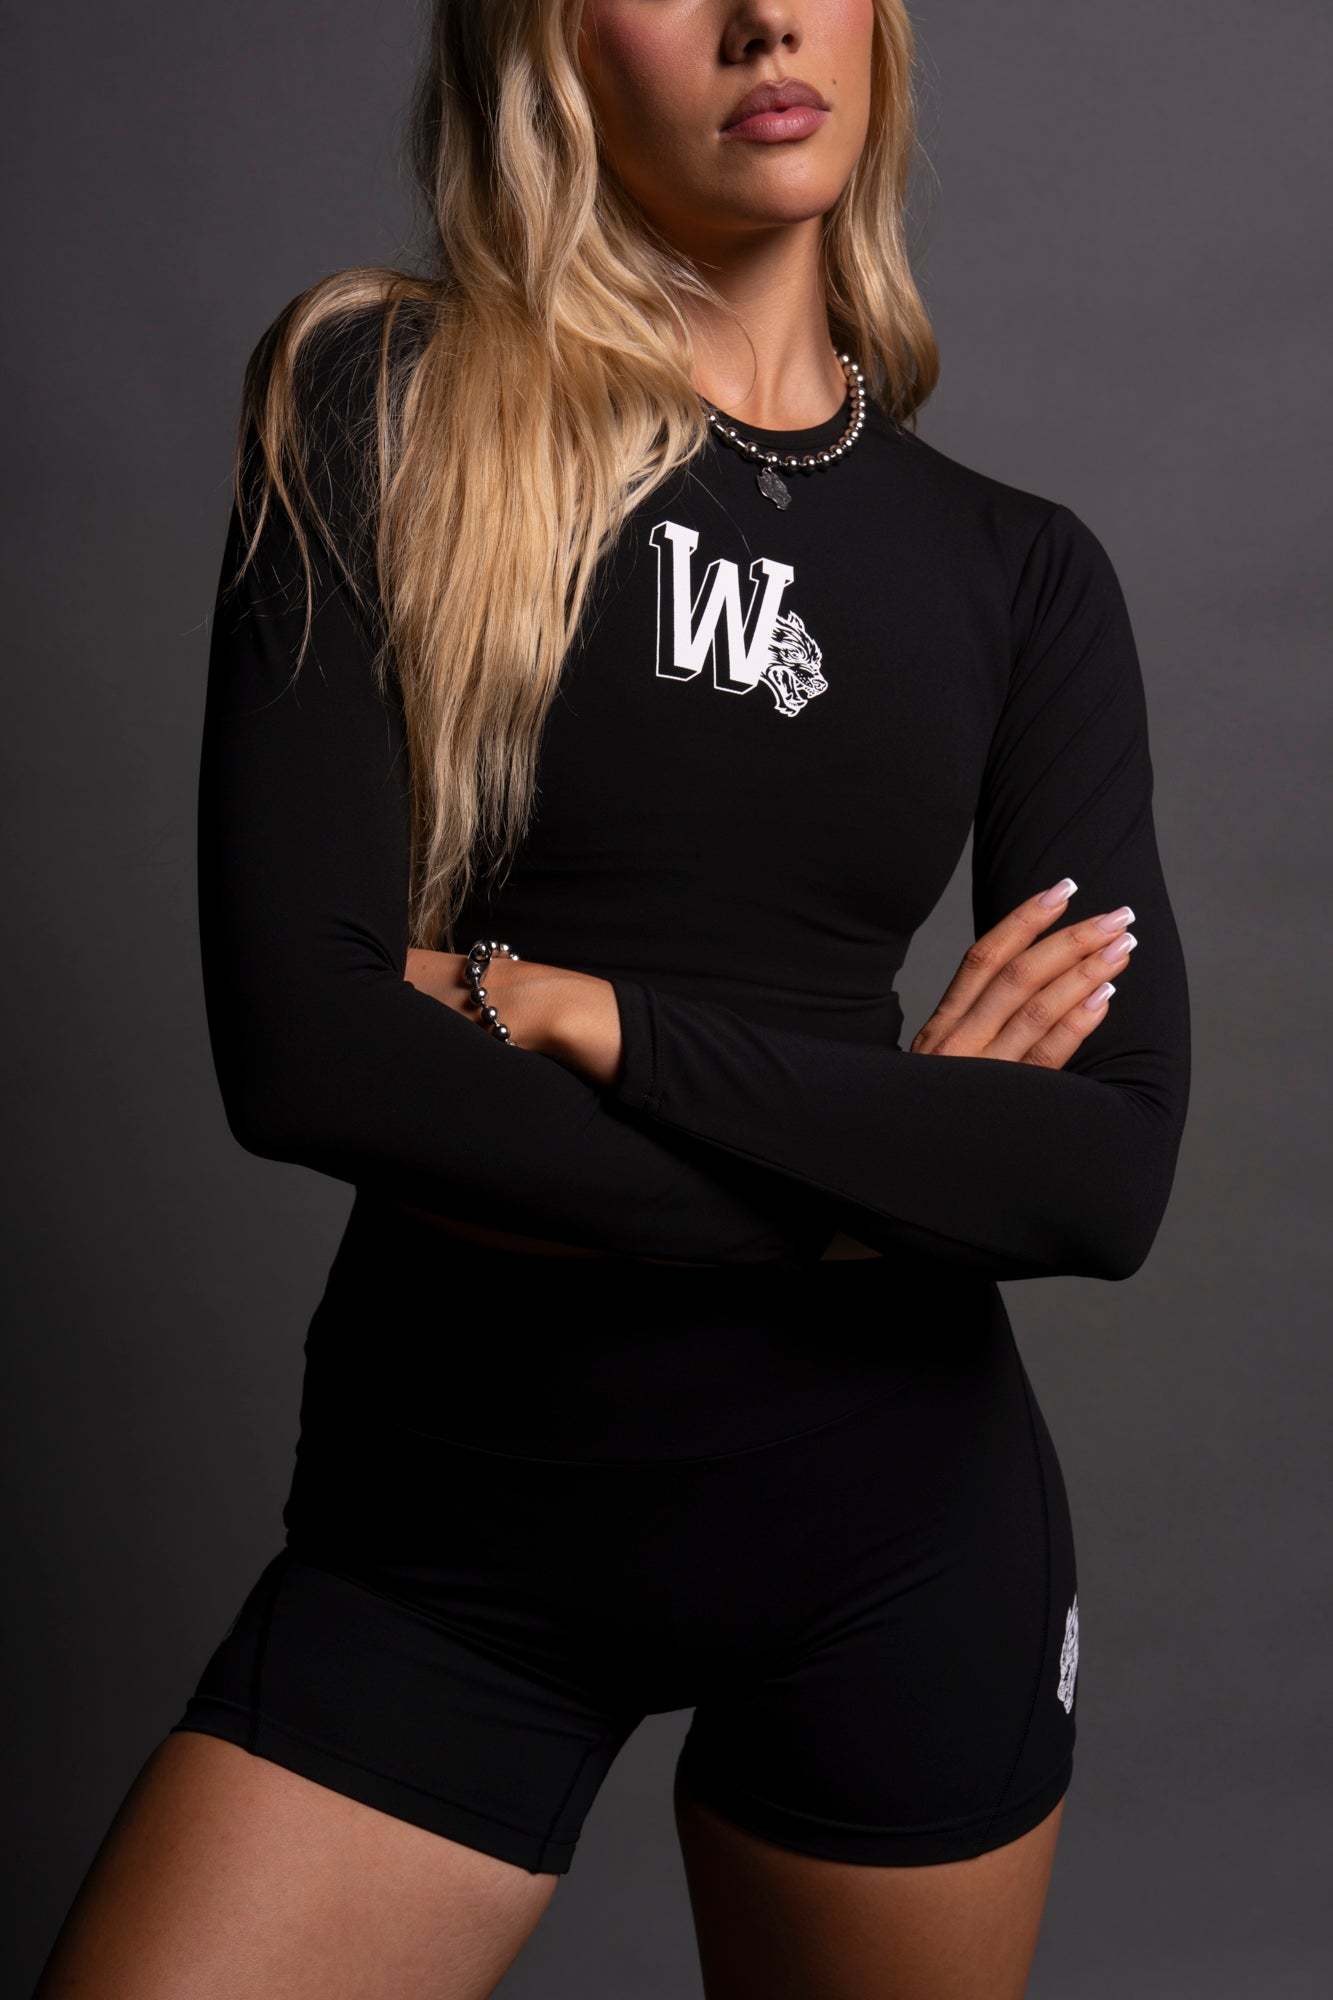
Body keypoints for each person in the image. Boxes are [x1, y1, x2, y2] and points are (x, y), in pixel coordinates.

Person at [34, 3, 1190, 1995]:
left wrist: (593, 1019)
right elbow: (309, 1053)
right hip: (455, 1542)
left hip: (899, 1541)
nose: (761, 20)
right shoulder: (381, 397)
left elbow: (1099, 1175)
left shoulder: (1019, 573)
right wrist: (884, 1187)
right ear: (553, 49)